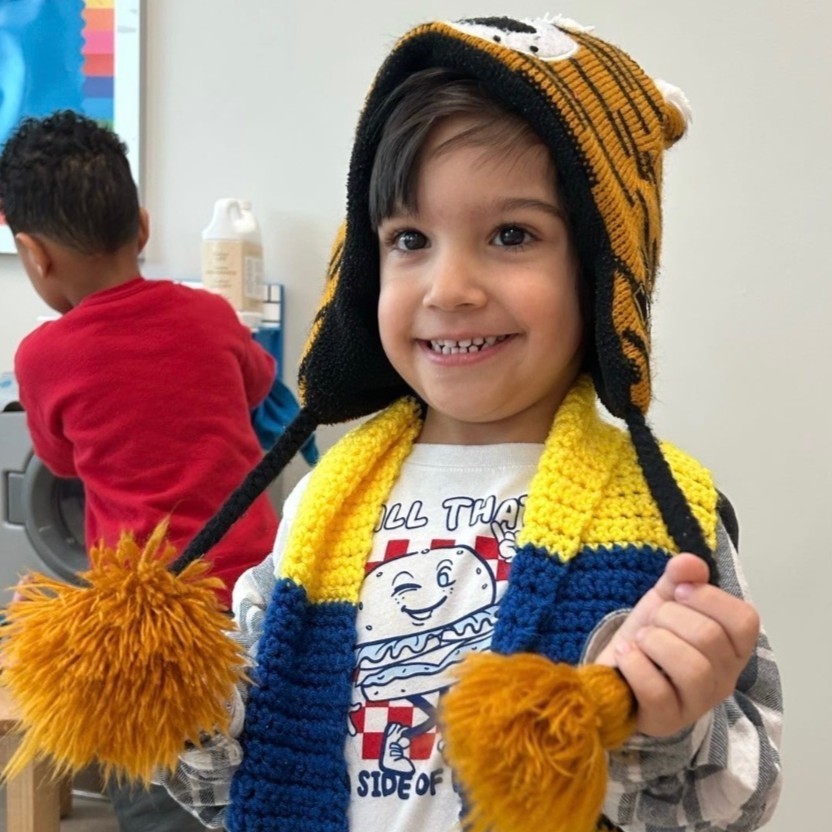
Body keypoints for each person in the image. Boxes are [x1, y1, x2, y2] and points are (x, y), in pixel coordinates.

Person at [155, 15, 782, 831]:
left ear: (600, 273)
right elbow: (230, 777)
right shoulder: (322, 503)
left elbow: (746, 793)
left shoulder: (672, 526)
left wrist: (667, 726)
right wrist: (181, 704)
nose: (448, 287)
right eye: (409, 238)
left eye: (511, 234)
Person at [0, 110, 280, 831]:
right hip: (257, 603)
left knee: (160, 794)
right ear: (145, 227)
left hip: (149, 631)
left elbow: (60, 460)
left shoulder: (41, 358)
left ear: (33, 254)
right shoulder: (212, 316)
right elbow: (257, 388)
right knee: (269, 776)